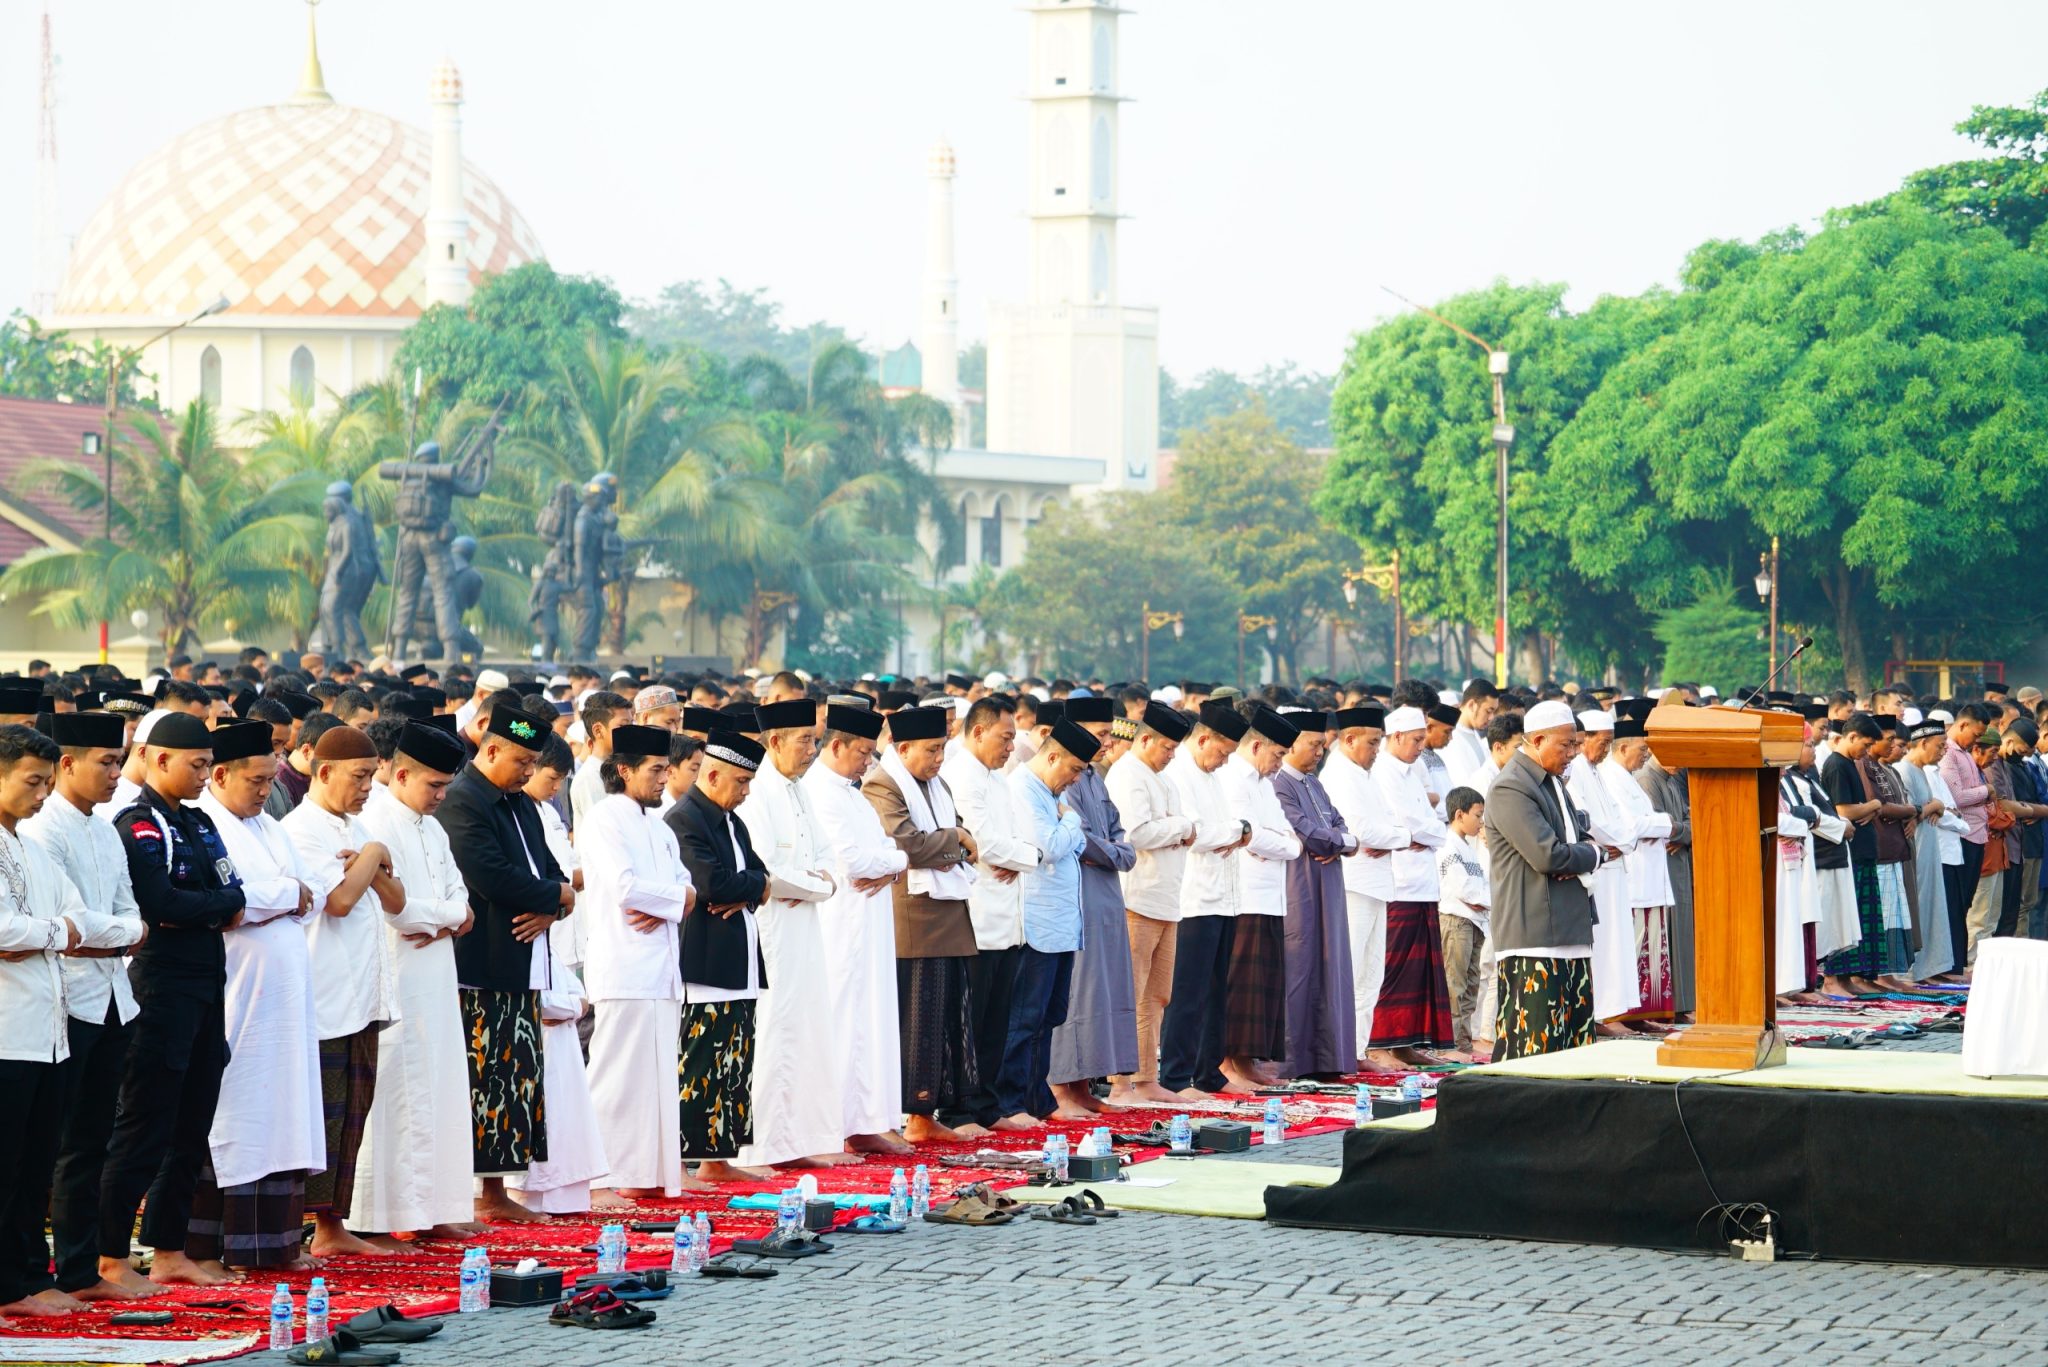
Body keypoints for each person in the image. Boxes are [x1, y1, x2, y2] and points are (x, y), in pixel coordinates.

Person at [100, 712, 246, 1293]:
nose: (205, 775)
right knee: (144, 1127)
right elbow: (157, 902)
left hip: (208, 983)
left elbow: (233, 892)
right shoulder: (138, 823)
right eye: (197, 765)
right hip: (162, 986)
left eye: (210, 765)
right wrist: (212, 903)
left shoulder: (201, 821)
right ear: (160, 759)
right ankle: (110, 1257)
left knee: (193, 1127)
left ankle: (169, 1249)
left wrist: (210, 902)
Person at [181, 722, 321, 1275]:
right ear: (221, 775)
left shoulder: (270, 826)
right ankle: (216, 1247)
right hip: (236, 993)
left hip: (283, 1003)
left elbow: (310, 894)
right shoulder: (205, 825)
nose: (266, 791)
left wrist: (281, 897)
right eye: (256, 780)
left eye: (269, 779)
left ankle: (274, 1246)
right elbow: (228, 903)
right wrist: (282, 895)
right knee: (235, 1115)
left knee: (281, 1113)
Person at [20, 712, 149, 1304]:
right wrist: (99, 931)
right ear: (67, 763)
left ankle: (79, 1269)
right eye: (106, 761)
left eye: (120, 761)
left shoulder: (102, 829)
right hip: (63, 1002)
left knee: (95, 1139)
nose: (117, 774)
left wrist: (107, 931)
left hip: (114, 998)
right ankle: (39, 1273)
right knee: (56, 1148)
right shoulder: (42, 828)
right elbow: (70, 926)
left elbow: (127, 916)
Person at [438, 701, 574, 1221]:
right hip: (482, 964)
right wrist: (553, 898)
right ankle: (482, 1193)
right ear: (491, 749)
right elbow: (489, 875)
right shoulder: (463, 800)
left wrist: (554, 906)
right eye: (521, 763)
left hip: (523, 959)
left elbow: (554, 872)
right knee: (484, 1079)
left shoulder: (521, 805)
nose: (528, 773)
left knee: (517, 1077)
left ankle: (499, 1190)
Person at [349, 722, 477, 1243]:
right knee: (394, 1095)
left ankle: (434, 1208)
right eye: (434, 786)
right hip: (394, 976)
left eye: (447, 786)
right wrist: (437, 918)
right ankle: (378, 1220)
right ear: (401, 774)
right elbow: (393, 909)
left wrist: (439, 918)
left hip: (437, 976)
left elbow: (463, 905)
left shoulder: (435, 828)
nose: (442, 796)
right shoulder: (375, 823)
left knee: (440, 1089)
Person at [0, 726, 95, 1320]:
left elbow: (79, 917)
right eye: (32, 782)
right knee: (4, 1169)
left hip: (48, 1032)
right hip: (6, 1033)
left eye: (45, 782)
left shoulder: (31, 847)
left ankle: (27, 1278)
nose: (42, 795)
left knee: (35, 1171)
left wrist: (48, 933)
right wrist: (53, 932)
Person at [579, 724, 694, 1196]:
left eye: (666, 770)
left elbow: (688, 887)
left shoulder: (658, 825)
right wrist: (671, 900)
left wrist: (669, 901)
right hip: (624, 966)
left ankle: (643, 1176)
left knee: (654, 1080)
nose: (663, 779)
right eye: (655, 770)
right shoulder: (605, 819)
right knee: (615, 1077)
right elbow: (625, 888)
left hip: (661, 968)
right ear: (623, 770)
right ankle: (600, 1175)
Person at [734, 698, 849, 1170]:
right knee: (772, 1033)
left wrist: (818, 885)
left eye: (815, 739)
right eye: (805, 740)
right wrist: (817, 885)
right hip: (772, 932)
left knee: (805, 1032)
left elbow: (827, 857)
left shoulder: (798, 789)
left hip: (805, 928)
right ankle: (758, 1147)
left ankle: (798, 1141)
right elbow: (765, 870)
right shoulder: (758, 790)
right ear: (775, 741)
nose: (812, 749)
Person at [868, 706, 988, 1139]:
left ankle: (929, 1115)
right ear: (903, 748)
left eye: (942, 749)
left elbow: (957, 835)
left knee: (947, 1022)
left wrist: (954, 841)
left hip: (948, 914)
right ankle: (915, 1116)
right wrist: (955, 842)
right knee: (919, 1022)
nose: (940, 758)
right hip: (916, 923)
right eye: (932, 750)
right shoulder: (883, 785)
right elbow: (908, 845)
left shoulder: (938, 785)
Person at [804, 703, 911, 1156]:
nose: (869, 761)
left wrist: (891, 865)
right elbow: (850, 862)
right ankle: (840, 1124)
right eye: (863, 752)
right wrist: (889, 863)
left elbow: (892, 851)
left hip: (871, 922)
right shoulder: (819, 792)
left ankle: (867, 1120)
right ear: (836, 745)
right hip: (841, 925)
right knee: (845, 1021)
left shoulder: (853, 792)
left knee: (872, 1019)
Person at [665, 729, 770, 1183]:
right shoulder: (685, 818)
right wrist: (748, 886)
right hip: (705, 959)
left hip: (740, 953)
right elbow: (710, 884)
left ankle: (719, 1158)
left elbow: (761, 876)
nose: (745, 793)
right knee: (702, 1060)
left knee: (735, 1060)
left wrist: (749, 887)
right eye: (741, 783)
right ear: (712, 773)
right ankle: (691, 1158)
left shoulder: (732, 821)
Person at [512, 741, 610, 1215]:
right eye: (547, 779)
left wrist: (560, 896)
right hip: (531, 951)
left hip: (557, 945)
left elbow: (559, 880)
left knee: (565, 1081)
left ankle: (562, 1185)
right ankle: (526, 1188)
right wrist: (561, 893)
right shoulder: (515, 812)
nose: (553, 790)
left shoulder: (542, 813)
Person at [1480, 701, 1608, 1059]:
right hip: (1534, 935)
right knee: (1535, 1047)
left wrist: (1585, 853)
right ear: (1537, 740)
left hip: (1569, 925)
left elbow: (1580, 835)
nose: (1574, 753)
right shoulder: (1512, 787)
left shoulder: (1551, 781)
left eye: (1576, 744)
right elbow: (1548, 855)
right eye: (1566, 745)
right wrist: (1595, 855)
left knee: (1574, 1047)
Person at [937, 697, 1035, 1133]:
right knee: (969, 1023)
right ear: (978, 732)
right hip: (975, 918)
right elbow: (982, 843)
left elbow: (1017, 841)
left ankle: (988, 1106)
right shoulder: (960, 775)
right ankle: (959, 1109)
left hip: (1007, 916)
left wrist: (1017, 857)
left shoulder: (1000, 780)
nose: (1011, 747)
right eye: (1005, 737)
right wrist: (1016, 855)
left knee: (997, 1020)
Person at [997, 719, 1096, 1122]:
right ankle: (1011, 1101)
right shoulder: (1023, 788)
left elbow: (1077, 841)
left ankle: (1038, 1100)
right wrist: (1070, 821)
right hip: (1035, 921)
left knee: (1050, 1016)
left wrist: (1068, 825)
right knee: (1024, 1018)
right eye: (1072, 769)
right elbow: (1048, 846)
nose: (1074, 779)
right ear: (1052, 755)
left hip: (1062, 921)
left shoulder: (1052, 795)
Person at [1046, 695, 1137, 1114]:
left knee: (1104, 991)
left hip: (1106, 898)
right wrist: (1119, 854)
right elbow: (1080, 838)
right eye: (1100, 734)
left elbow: (1118, 831)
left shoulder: (1096, 777)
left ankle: (1084, 1087)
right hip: (1078, 895)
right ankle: (1062, 1089)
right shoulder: (1063, 778)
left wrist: (1118, 852)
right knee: (1079, 992)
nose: (1107, 742)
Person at [1103, 701, 1198, 1105]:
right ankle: (1121, 1083)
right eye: (1166, 748)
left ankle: (1146, 1079)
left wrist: (1181, 828)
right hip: (1136, 899)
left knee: (1157, 995)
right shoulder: (1128, 774)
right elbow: (1136, 833)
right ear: (1145, 739)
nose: (1171, 755)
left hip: (1166, 900)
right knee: (1132, 993)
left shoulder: (1164, 778)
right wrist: (1181, 828)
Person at [1160, 702, 1253, 1098]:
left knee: (1217, 993)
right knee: (1187, 994)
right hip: (1193, 900)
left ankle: (1210, 1072)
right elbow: (1196, 833)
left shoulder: (1214, 777)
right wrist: (1235, 831)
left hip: (1225, 898)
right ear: (1202, 739)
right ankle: (1176, 1077)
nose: (1225, 761)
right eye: (1223, 751)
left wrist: (1235, 830)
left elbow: (1234, 830)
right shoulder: (1178, 774)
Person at [1218, 706, 1304, 1088]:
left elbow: (1292, 842)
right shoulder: (1232, 778)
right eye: (1278, 754)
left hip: (1271, 896)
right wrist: (1267, 840)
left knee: (1264, 986)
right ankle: (1228, 1064)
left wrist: (1268, 840)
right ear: (1256, 746)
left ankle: (1248, 1062)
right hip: (1245, 895)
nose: (1279, 763)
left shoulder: (1264, 784)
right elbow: (1246, 834)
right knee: (1240, 986)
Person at [1366, 705, 1455, 1066]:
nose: (1421, 746)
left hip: (1424, 883)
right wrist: (1420, 833)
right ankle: (1379, 1045)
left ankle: (1406, 1044)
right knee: (1393, 969)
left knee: (1419, 975)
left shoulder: (1414, 770)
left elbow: (1436, 825)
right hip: (1399, 883)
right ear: (1397, 737)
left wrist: (1423, 833)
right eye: (1416, 739)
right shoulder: (1382, 772)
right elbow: (1405, 825)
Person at [1271, 710, 1358, 1078]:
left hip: (1329, 882)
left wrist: (1342, 843)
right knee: (1301, 965)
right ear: (1291, 744)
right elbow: (1305, 831)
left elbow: (1341, 828)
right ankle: (1295, 1062)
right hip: (1301, 884)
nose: (1321, 751)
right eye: (1315, 744)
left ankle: (1327, 1060)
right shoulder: (1280, 785)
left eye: (1323, 745)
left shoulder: (1314, 784)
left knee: (1330, 967)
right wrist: (1342, 842)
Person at [1320, 705, 1408, 1064]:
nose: (1377, 751)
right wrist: (1394, 836)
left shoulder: (1366, 774)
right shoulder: (1339, 775)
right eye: (1372, 743)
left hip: (1376, 883)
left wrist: (1393, 836)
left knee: (1372, 974)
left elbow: (1394, 826)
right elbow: (1360, 831)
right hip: (1354, 885)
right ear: (1349, 739)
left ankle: (1357, 1049)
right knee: (1351, 974)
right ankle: (1342, 1051)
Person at [1602, 711, 1676, 1021]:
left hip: (1651, 875)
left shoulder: (1629, 778)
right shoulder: (1610, 777)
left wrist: (1658, 823)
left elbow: (1652, 822)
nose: (1646, 756)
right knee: (1633, 950)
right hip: (1632, 878)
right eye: (1642, 750)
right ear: (1621, 748)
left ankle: (1648, 1012)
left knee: (1654, 949)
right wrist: (1663, 823)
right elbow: (1632, 826)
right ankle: (1625, 1014)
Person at [1632, 706, 1694, 1016]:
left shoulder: (1672, 778)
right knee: (1668, 934)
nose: (1679, 764)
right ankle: (1673, 1006)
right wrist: (1681, 831)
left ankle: (1684, 1002)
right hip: (1661, 868)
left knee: (1682, 933)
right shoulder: (1647, 779)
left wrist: (1681, 831)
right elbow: (1661, 826)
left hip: (1678, 863)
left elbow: (1684, 822)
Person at [1435, 786, 1490, 1058]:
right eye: (1478, 815)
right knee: (1455, 985)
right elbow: (1466, 890)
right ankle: (1451, 1045)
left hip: (1475, 922)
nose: (1481, 822)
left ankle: (1464, 1043)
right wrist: (1487, 899)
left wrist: (1485, 899)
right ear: (1459, 814)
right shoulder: (1448, 847)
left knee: (1470, 985)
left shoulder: (1468, 848)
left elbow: (1481, 889)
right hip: (1457, 921)